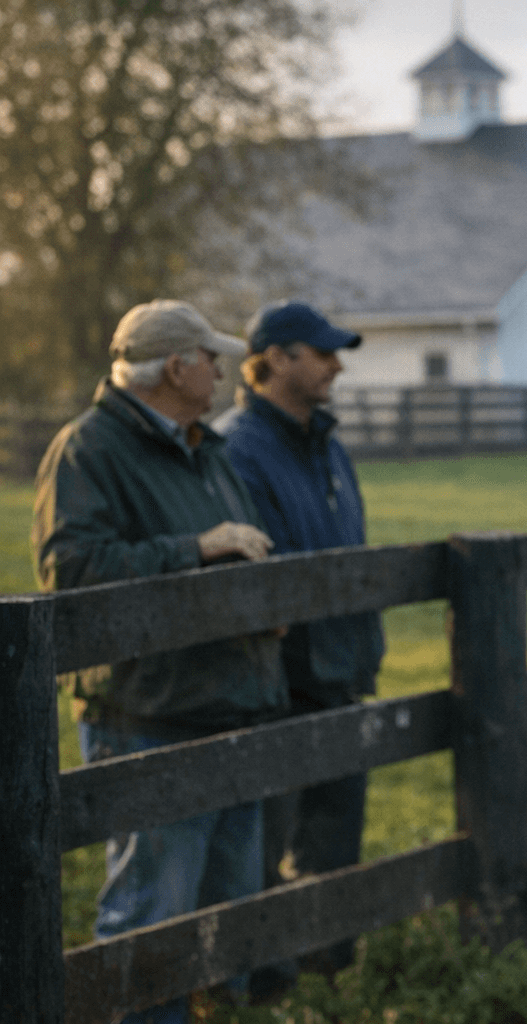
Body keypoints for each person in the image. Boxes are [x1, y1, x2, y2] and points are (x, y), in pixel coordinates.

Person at [32, 299, 286, 1024]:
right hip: (149, 714)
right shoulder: (88, 450)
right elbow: (71, 575)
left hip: (228, 698)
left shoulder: (204, 445)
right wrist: (195, 549)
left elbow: (238, 547)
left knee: (224, 913)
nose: (222, 370)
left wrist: (259, 600)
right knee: (152, 910)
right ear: (177, 367)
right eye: (211, 358)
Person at [214, 301, 383, 999]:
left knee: (334, 836)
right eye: (322, 353)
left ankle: (325, 977)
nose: (337, 365)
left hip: (339, 670)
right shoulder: (236, 449)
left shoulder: (326, 443)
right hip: (278, 682)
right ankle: (265, 989)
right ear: (277, 357)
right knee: (263, 843)